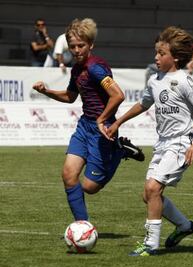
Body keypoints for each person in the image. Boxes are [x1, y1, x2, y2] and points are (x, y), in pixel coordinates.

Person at [105, 26, 193, 257]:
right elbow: (143, 104)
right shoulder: (155, 80)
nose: (156, 57)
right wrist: (119, 122)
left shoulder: (185, 81)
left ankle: (151, 244)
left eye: (161, 53)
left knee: (153, 188)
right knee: (148, 195)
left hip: (182, 143)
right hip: (163, 143)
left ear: (174, 57)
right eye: (156, 52)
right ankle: (184, 225)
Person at [32, 18, 145, 222]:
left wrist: (102, 119)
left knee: (89, 187)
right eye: (73, 46)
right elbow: (70, 96)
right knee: (68, 175)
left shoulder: (96, 67)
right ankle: (82, 226)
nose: (76, 50)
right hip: (85, 127)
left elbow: (118, 95)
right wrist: (46, 91)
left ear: (90, 45)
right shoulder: (76, 69)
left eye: (81, 45)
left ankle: (119, 150)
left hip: (104, 129)